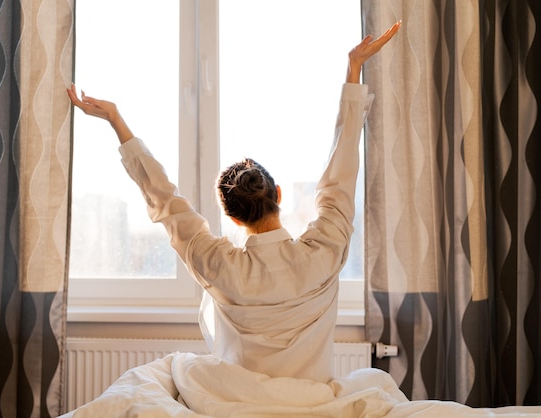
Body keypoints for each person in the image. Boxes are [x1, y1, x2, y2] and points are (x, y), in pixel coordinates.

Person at [67, 21, 401, 383]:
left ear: (232, 216)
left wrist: (116, 120)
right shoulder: (324, 251)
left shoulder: (220, 266)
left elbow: (165, 200)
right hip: (313, 398)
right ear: (278, 195)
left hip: (236, 400)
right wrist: (353, 70)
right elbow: (340, 176)